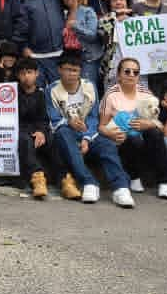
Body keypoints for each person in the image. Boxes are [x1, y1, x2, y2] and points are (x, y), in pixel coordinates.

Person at [46, 50, 134, 207]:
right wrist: (69, 122)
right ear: (59, 70)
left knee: (107, 145)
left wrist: (86, 138)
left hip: (89, 133)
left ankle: (121, 188)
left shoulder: (89, 86)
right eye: (67, 69)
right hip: (67, 132)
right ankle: (89, 182)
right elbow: (53, 119)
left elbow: (94, 117)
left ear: (80, 71)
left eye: (75, 70)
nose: (71, 74)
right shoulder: (52, 89)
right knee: (63, 133)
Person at [98, 57, 167, 200]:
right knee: (133, 138)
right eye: (127, 71)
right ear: (119, 75)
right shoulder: (111, 95)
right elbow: (101, 126)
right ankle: (134, 177)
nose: (131, 75)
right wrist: (110, 133)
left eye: (135, 72)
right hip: (124, 140)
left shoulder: (146, 93)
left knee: (154, 132)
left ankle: (164, 182)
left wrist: (148, 123)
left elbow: (160, 125)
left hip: (148, 138)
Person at [20, 0, 86, 85]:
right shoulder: (25, 1)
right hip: (36, 56)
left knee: (58, 91)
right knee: (38, 90)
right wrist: (23, 47)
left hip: (59, 54)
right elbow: (20, 27)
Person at [16, 56, 57, 199]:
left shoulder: (42, 94)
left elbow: (44, 119)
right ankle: (38, 179)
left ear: (36, 73)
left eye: (29, 72)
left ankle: (64, 178)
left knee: (52, 140)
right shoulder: (12, 93)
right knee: (25, 140)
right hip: (20, 130)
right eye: (22, 73)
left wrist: (40, 131)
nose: (26, 76)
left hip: (37, 129)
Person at [61, 0, 102, 89]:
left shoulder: (88, 11)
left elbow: (93, 35)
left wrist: (75, 25)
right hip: (72, 60)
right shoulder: (64, 15)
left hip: (88, 59)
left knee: (89, 89)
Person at [98, 0, 134, 91]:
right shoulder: (104, 20)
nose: (118, 2)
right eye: (114, 0)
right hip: (112, 69)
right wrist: (115, 17)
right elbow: (102, 31)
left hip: (133, 69)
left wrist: (127, 17)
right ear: (109, 4)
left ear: (127, 2)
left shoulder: (137, 19)